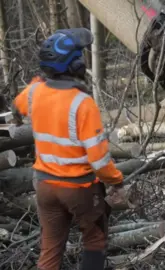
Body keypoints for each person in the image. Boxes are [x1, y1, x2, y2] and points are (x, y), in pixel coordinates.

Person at [11, 28, 126, 270]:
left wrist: (20, 120)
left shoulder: (34, 91)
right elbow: (99, 161)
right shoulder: (82, 103)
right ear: (76, 66)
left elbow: (16, 106)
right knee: (95, 239)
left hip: (44, 187)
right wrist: (116, 181)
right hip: (79, 188)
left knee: (51, 246)